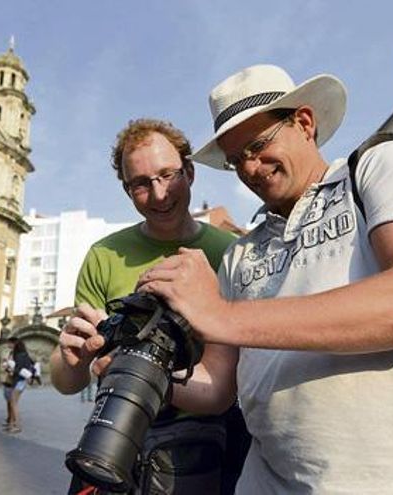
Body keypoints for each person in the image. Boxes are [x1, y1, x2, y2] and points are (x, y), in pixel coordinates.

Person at [89, 64, 393, 493]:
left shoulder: (378, 167)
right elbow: (217, 389)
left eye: (258, 145)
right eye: (234, 160)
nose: (249, 168)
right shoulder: (240, 252)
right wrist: (135, 371)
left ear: (304, 122)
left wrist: (220, 314)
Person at [51, 119, 250, 493]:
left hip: (198, 453)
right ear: (127, 191)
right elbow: (66, 381)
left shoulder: (230, 254)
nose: (159, 194)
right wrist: (72, 359)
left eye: (167, 175)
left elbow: (229, 383)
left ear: (189, 172)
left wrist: (133, 370)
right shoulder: (103, 256)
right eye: (141, 183)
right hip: (111, 437)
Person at [4, 339, 32, 434]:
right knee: (13, 402)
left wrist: (11, 371)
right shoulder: (25, 355)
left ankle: (17, 425)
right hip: (22, 381)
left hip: (19, 381)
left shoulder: (19, 356)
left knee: (13, 403)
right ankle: (11, 424)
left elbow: (18, 369)